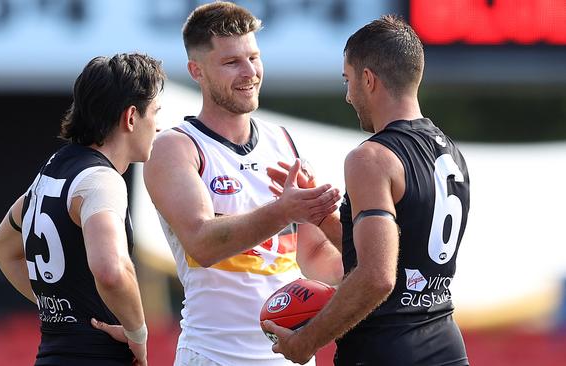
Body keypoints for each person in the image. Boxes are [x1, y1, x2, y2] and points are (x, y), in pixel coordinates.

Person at [262, 15, 471, 365]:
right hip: (446, 345)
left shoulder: (370, 158)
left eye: (348, 80)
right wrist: (321, 215)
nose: (347, 95)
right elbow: (404, 255)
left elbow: (377, 277)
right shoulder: (450, 151)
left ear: (369, 80)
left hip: (386, 349)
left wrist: (306, 341)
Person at [147, 2, 341, 365]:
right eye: (232, 62)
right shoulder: (175, 146)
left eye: (254, 57)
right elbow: (203, 243)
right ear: (196, 71)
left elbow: (314, 256)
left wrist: (370, 259)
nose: (250, 71)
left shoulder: (283, 140)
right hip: (214, 354)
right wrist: (285, 210)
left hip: (288, 355)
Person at [0, 52, 166, 366]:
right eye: (155, 112)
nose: (158, 125)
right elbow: (111, 270)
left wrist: (64, 308)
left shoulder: (51, 171)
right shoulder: (101, 181)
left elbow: (1, 249)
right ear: (131, 117)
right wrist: (138, 334)